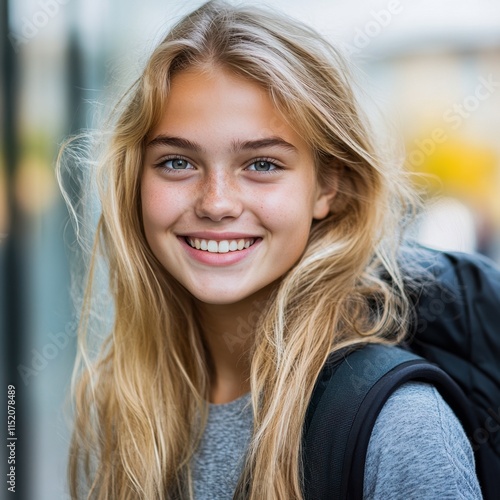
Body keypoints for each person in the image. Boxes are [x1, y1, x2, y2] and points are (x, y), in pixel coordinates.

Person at [60, 1, 483, 498]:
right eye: (177, 162)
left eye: (261, 165)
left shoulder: (399, 426)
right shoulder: (118, 405)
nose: (216, 203)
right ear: (134, 180)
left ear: (330, 187)